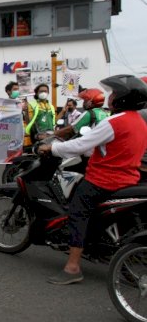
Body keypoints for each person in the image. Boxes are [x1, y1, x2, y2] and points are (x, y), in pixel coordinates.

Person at [39, 75, 147, 284]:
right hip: (128, 179)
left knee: (77, 213)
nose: (110, 97)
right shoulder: (140, 123)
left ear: (122, 98)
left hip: (104, 180)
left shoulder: (115, 121)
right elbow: (108, 147)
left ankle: (72, 267)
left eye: (114, 94)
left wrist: (51, 147)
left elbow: (79, 144)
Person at [6, 81, 32, 149]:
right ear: (8, 91)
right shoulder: (5, 104)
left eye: (18, 89)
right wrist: (20, 109)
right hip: (9, 137)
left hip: (19, 137)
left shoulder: (19, 104)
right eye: (15, 89)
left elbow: (28, 121)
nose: (17, 91)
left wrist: (26, 110)